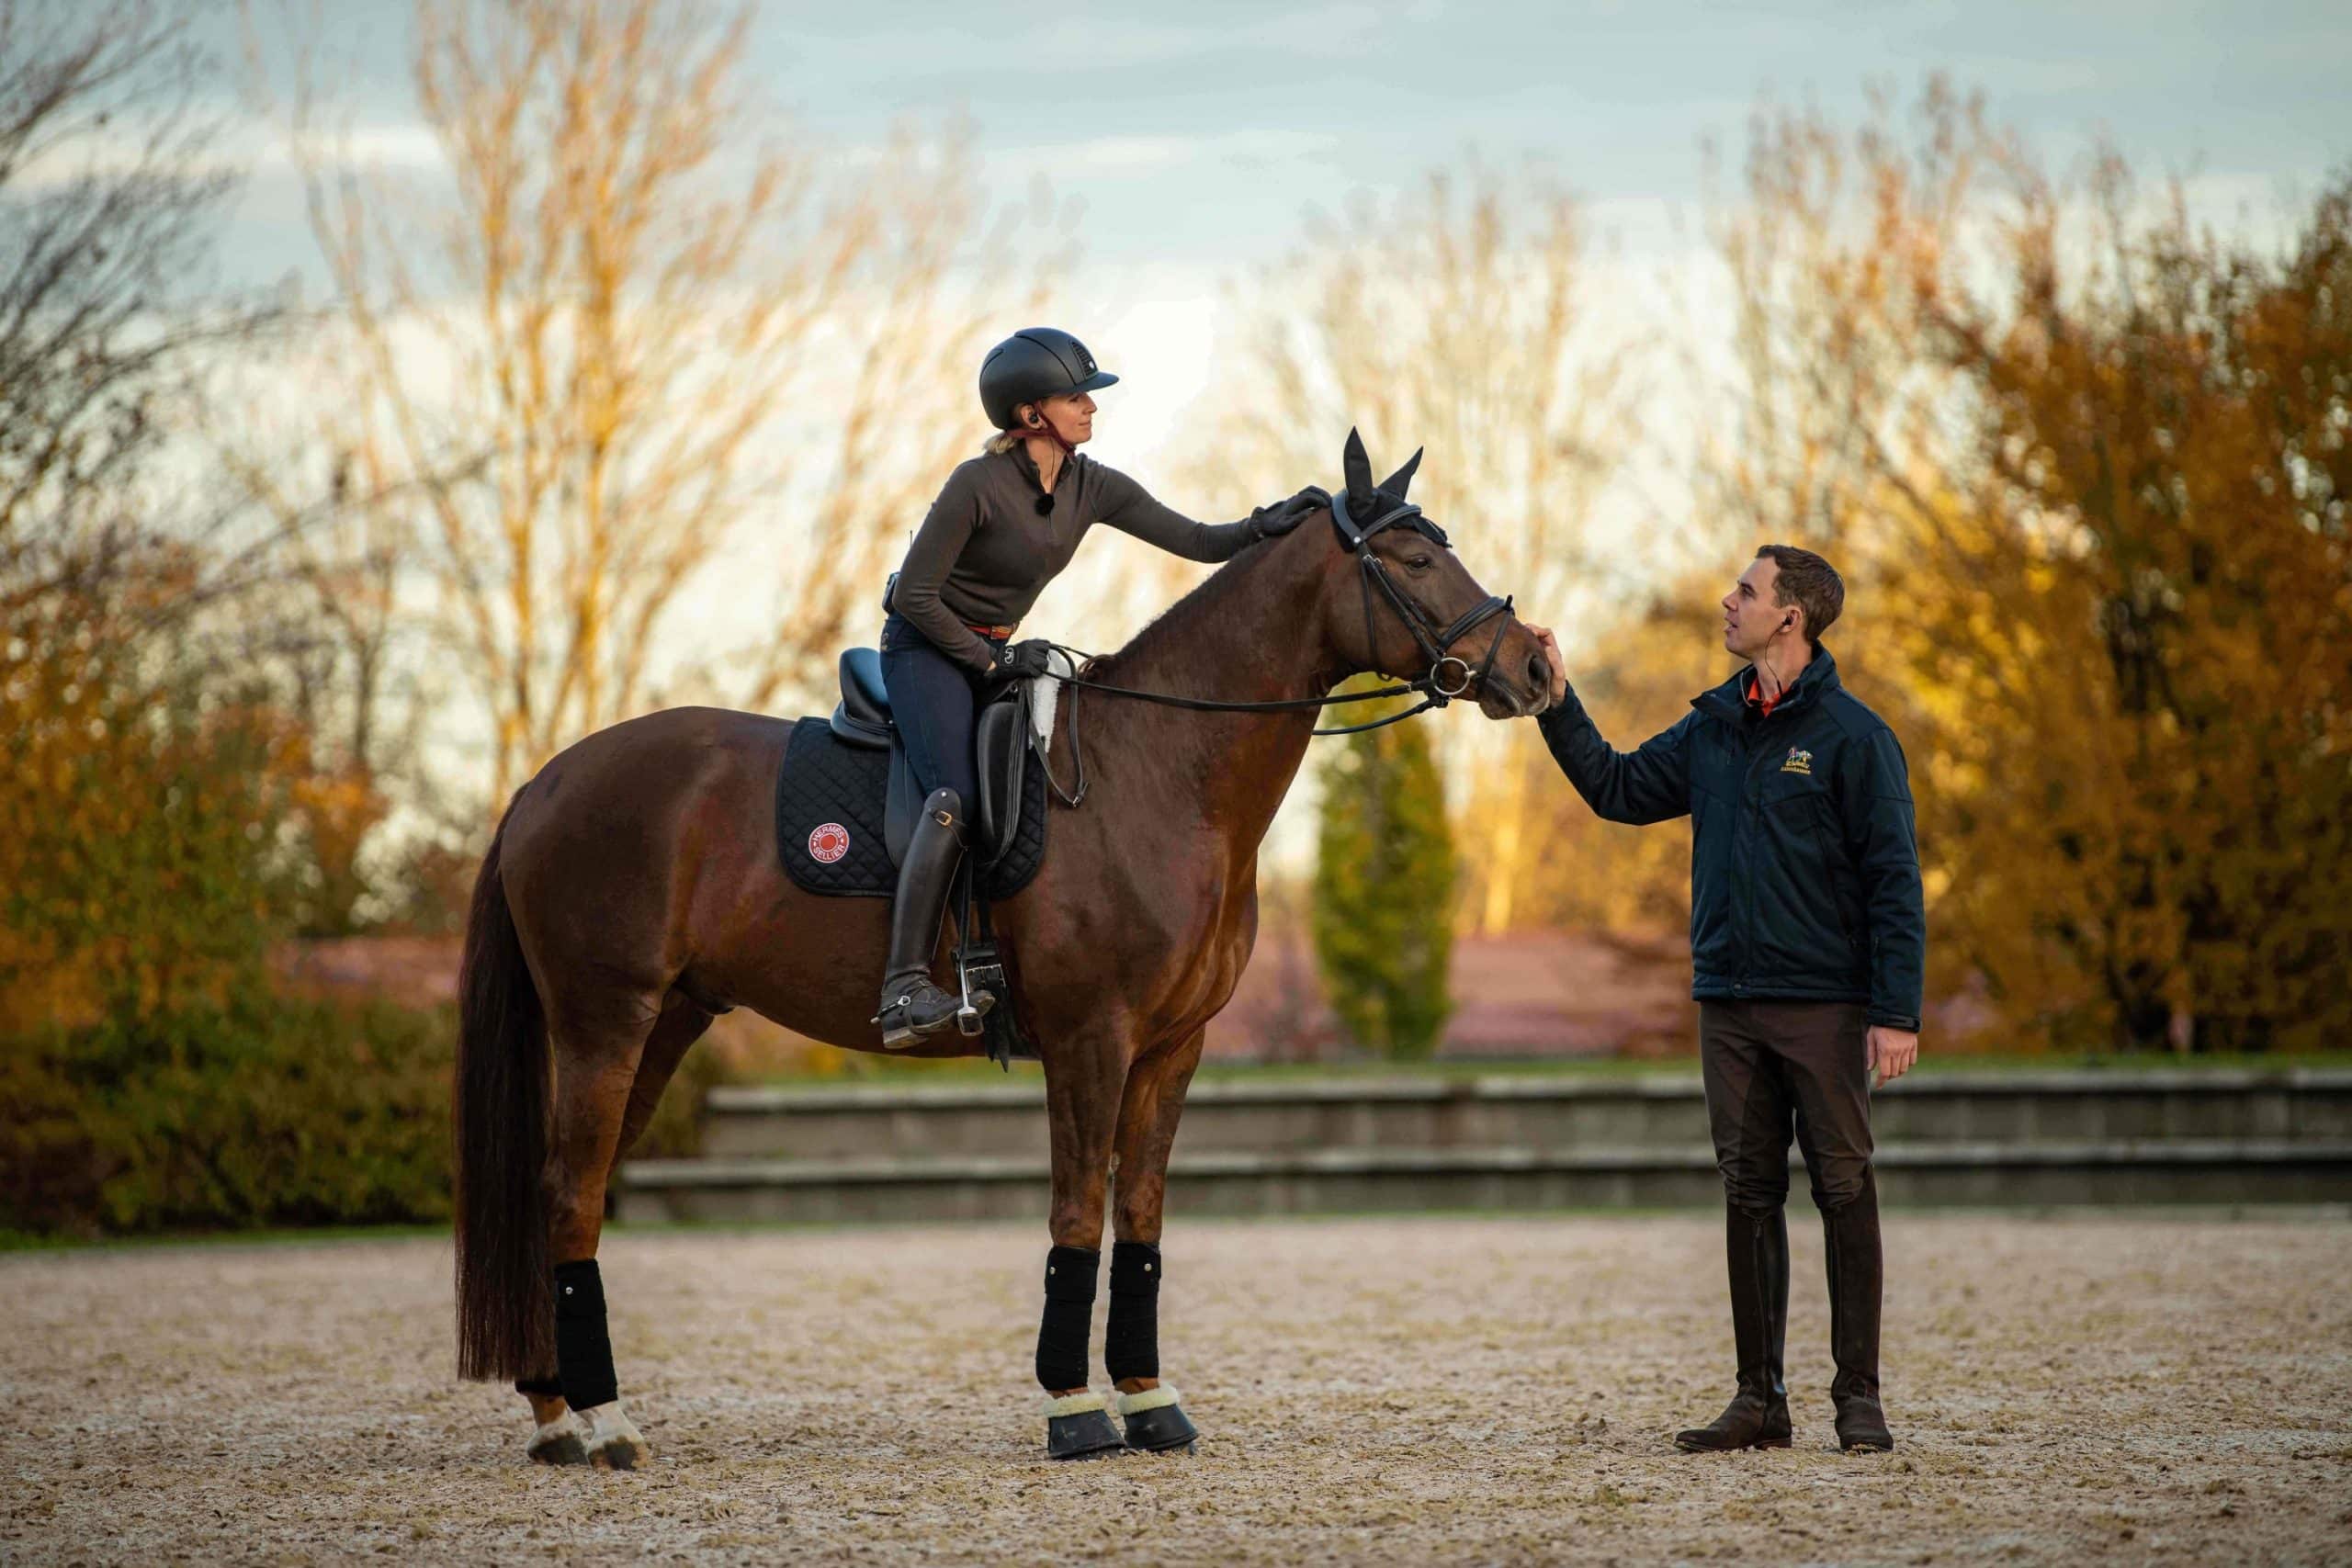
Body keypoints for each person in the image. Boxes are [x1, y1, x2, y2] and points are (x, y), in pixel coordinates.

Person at [1525, 546, 1925, 1454]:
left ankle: (1857, 1398)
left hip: (1823, 1005)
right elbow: (1617, 788)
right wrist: (1558, 700)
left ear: (1791, 617)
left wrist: (1895, 1010)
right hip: (1729, 1004)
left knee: (1841, 1185)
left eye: (1746, 590)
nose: (1727, 600)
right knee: (1748, 1192)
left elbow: (1894, 881)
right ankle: (1760, 1401)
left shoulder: (1854, 738)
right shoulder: (1713, 727)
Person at [873, 327, 1323, 1046]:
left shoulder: (1093, 486)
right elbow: (915, 600)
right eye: (1076, 396)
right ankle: (903, 986)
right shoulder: (976, 485)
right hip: (925, 651)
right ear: (1030, 416)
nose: (1090, 408)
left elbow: (1200, 540)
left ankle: (1001, 958)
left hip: (997, 657)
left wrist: (1268, 525)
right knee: (955, 799)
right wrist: (990, 664)